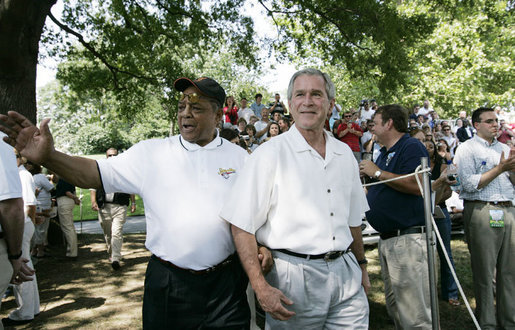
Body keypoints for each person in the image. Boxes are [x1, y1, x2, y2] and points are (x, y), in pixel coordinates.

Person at [0, 76, 272, 328]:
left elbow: (252, 216)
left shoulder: (241, 160)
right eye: (180, 106)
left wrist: (261, 246)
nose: (185, 113)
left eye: (196, 108)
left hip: (226, 285)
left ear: (217, 114)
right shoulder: (151, 154)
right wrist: (49, 157)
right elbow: (92, 172)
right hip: (169, 283)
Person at [221, 68, 370, 329]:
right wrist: (260, 287)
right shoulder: (269, 154)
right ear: (290, 104)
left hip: (347, 276)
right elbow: (241, 224)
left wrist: (363, 268)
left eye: (316, 94)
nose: (308, 101)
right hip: (294, 279)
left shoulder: (344, 153)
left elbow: (353, 220)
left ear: (331, 104)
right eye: (300, 94)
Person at [359, 104, 432, 329]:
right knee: (397, 311)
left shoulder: (410, 146)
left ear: (389, 123)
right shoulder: (385, 154)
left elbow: (419, 184)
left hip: (407, 239)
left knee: (414, 315)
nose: (372, 127)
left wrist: (377, 173)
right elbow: (380, 189)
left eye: (375, 122)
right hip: (388, 239)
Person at [454, 107, 515, 329]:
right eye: (489, 121)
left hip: (508, 209)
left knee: (509, 272)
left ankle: (509, 322)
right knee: (485, 272)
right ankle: (487, 324)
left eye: (496, 121)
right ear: (476, 125)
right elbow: (469, 184)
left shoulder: (505, 149)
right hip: (482, 211)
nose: (495, 124)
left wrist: (511, 169)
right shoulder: (466, 149)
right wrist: (500, 168)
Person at [0, 133, 35, 330]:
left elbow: (25, 205)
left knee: (27, 270)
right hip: (11, 227)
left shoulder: (24, 175)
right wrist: (14, 255)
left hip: (17, 226)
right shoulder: (1, 142)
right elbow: (11, 205)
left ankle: (28, 309)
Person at [423, 140, 460, 306]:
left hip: (440, 212)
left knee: (445, 253)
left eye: (431, 146)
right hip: (420, 213)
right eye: (424, 145)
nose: (428, 149)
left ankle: (451, 292)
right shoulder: (414, 166)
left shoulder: (445, 166)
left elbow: (449, 191)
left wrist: (435, 199)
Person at [90, 148, 136, 270]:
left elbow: (130, 187)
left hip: (120, 206)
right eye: (109, 155)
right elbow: (93, 187)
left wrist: (133, 202)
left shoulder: (125, 171)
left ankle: (116, 258)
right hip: (104, 206)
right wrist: (93, 201)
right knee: (108, 233)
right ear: (106, 156)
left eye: (114, 155)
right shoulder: (100, 170)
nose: (112, 157)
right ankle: (111, 253)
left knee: (116, 232)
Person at [28, 163, 54, 258]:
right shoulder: (40, 176)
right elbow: (51, 188)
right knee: (42, 228)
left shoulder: (28, 176)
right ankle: (40, 251)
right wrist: (51, 180)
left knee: (34, 228)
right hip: (43, 205)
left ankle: (34, 250)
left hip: (33, 205)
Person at [55, 176, 80, 259]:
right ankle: (72, 250)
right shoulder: (69, 177)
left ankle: (72, 252)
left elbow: (67, 192)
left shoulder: (63, 178)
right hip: (68, 202)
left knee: (67, 227)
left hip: (64, 201)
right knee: (70, 227)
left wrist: (75, 198)